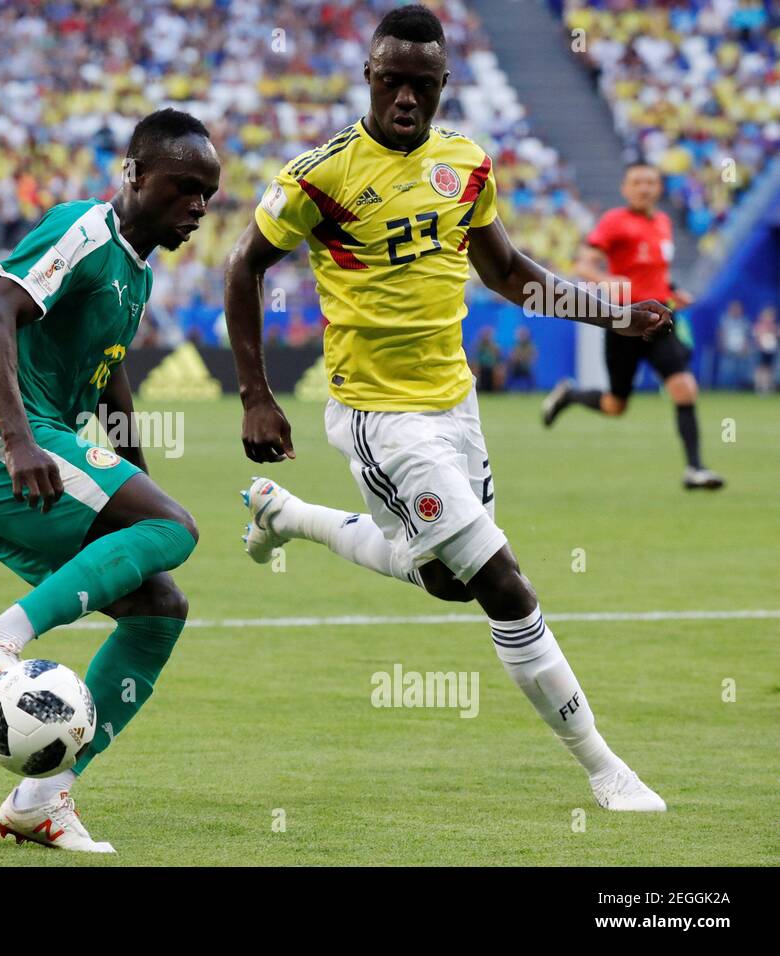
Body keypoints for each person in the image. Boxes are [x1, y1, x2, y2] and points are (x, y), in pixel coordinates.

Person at [224, 6, 667, 814]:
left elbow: (507, 272)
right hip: (380, 419)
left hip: (454, 405)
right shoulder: (318, 177)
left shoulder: (465, 164)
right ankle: (607, 769)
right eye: (391, 81)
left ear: (442, 87)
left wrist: (613, 312)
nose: (405, 99)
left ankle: (283, 514)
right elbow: (242, 267)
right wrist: (256, 394)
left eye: (421, 86)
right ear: (368, 75)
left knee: (447, 583)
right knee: (504, 584)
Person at [0, 109, 220, 851]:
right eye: (183, 186)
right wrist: (19, 438)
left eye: (207, 195)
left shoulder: (136, 272)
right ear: (133, 175)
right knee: (177, 528)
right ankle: (3, 637)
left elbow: (108, 381)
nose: (195, 206)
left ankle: (43, 797)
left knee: (160, 606)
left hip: (31, 457)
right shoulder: (84, 231)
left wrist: (138, 480)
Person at [541, 161, 723, 490]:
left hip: (661, 319)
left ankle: (695, 469)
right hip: (625, 321)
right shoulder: (615, 222)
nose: (644, 188)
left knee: (684, 388)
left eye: (650, 182)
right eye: (637, 182)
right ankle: (570, 395)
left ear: (659, 188)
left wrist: (672, 291)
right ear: (625, 188)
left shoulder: (664, 223)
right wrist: (605, 278)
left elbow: (655, 274)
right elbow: (583, 263)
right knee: (615, 406)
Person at [714, 301, 751, 390]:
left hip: (740, 351)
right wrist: (721, 345)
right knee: (726, 371)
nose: (736, 311)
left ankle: (739, 389)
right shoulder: (725, 320)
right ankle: (724, 389)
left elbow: (747, 336)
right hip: (728, 350)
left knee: (740, 371)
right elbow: (720, 333)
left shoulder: (744, 321)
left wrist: (745, 347)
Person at [505, 325, 537, 391]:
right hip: (516, 366)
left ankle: (531, 390)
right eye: (521, 335)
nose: (523, 337)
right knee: (510, 374)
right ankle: (508, 390)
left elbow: (533, 357)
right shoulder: (515, 345)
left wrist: (525, 359)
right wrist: (519, 358)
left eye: (524, 335)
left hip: (526, 367)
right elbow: (512, 357)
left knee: (530, 377)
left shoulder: (530, 345)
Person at [754, 306, 777, 395]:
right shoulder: (760, 326)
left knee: (769, 369)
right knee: (761, 369)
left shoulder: (774, 327)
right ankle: (760, 387)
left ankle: (767, 386)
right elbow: (757, 337)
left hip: (771, 351)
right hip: (762, 350)